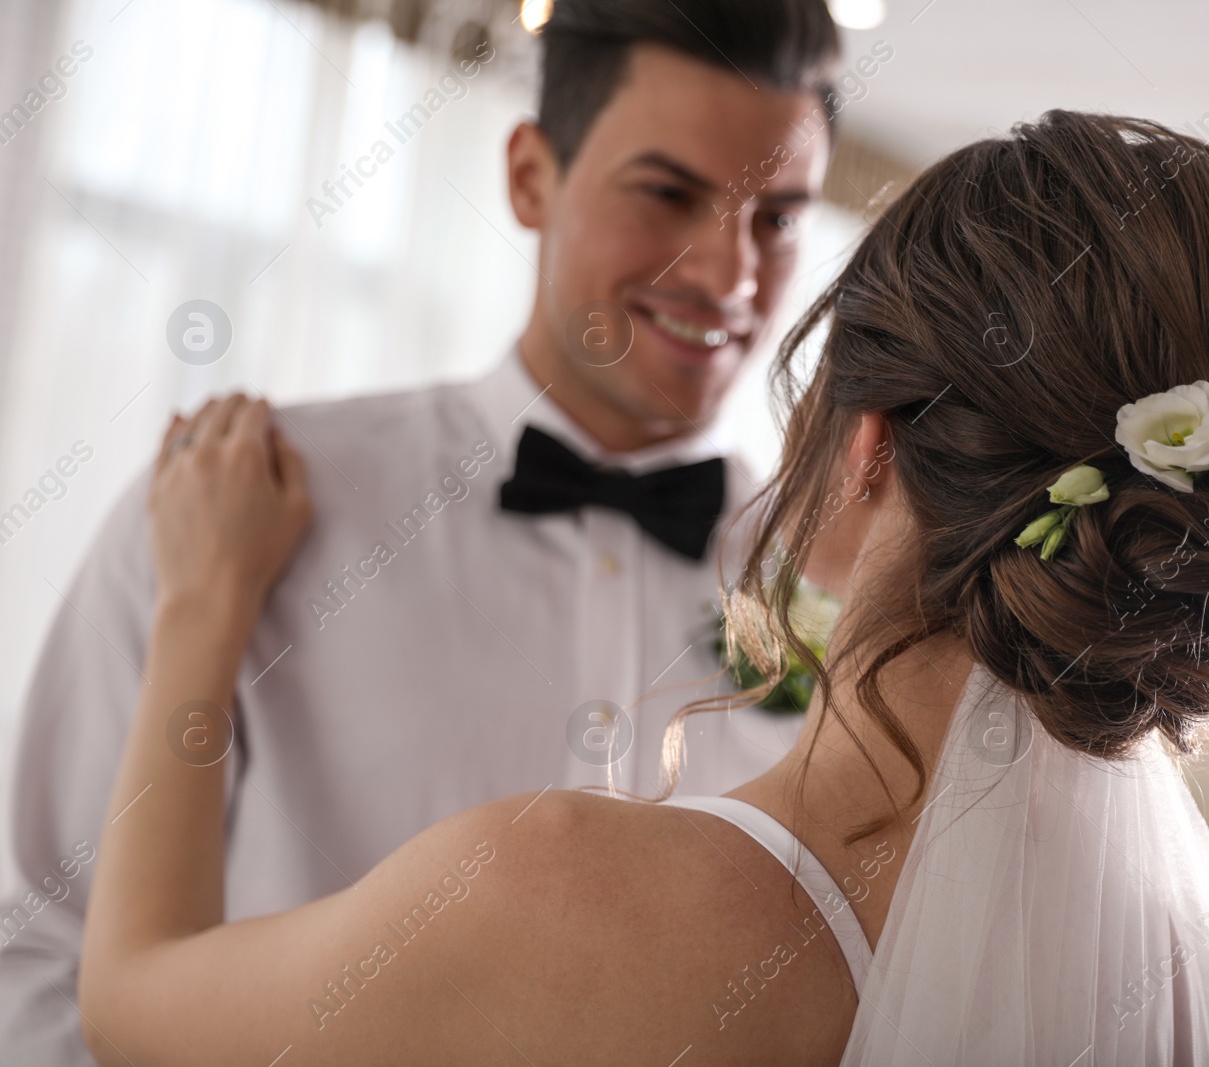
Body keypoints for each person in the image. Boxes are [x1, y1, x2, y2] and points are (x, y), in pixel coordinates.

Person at [75, 110, 1209, 1065]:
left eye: (778, 219)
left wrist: (200, 606)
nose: (722, 266)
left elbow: (133, 998)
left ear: (871, 442)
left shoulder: (561, 898)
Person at [0, 1, 843, 1061]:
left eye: (776, 216)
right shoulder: (237, 504)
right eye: (669, 193)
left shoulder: (839, 578)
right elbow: (47, 955)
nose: (729, 274)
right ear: (530, 175)